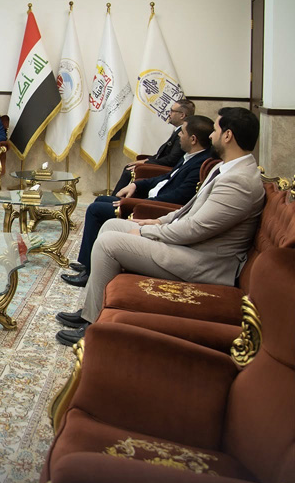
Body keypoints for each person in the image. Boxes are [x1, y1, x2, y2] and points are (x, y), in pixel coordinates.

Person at [55, 107, 265, 346]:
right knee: (112, 225)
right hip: (191, 247)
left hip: (203, 261)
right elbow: (189, 210)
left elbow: (194, 229)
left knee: (108, 243)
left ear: (228, 135)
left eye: (216, 129)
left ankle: (93, 327)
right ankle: (91, 311)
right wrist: (158, 221)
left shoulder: (239, 181)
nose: (211, 135)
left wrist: (145, 231)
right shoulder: (225, 168)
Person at [62, 115, 215, 287]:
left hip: (154, 207)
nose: (179, 135)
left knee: (95, 210)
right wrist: (136, 184)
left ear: (193, 139)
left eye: (183, 133)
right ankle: (88, 262)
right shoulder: (190, 156)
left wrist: (138, 203)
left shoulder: (200, 164)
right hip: (149, 199)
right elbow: (166, 177)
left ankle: (90, 273)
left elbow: (178, 197)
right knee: (101, 200)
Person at [111, 98, 195, 195]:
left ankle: (116, 198)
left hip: (164, 170)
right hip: (159, 165)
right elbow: (163, 154)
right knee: (129, 167)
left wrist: (146, 163)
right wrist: (146, 160)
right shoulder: (178, 131)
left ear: (182, 115)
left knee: (129, 170)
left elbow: (171, 160)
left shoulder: (183, 135)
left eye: (172, 111)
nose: (169, 114)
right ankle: (115, 197)